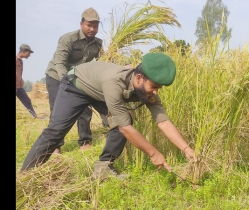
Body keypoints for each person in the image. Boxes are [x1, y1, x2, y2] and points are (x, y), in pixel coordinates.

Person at [21, 53, 197, 179]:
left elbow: (163, 122)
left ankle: (103, 169)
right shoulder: (114, 83)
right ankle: (26, 175)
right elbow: (125, 128)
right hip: (76, 85)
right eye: (154, 86)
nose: (156, 92)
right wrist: (153, 153)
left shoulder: (147, 90)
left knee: (122, 121)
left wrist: (186, 149)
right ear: (138, 78)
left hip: (99, 92)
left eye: (160, 88)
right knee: (56, 131)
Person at [45, 7, 108, 153]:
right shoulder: (68, 39)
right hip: (57, 76)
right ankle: (56, 146)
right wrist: (66, 83)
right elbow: (59, 63)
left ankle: (85, 141)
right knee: (57, 111)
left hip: (79, 78)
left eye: (95, 26)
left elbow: (102, 62)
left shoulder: (98, 44)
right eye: (89, 25)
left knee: (85, 108)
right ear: (81, 24)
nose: (92, 29)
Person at [16, 44, 38, 119]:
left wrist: (21, 80)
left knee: (27, 100)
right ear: (23, 51)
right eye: (28, 53)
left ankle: (34, 116)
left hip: (19, 87)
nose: (29, 55)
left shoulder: (20, 61)